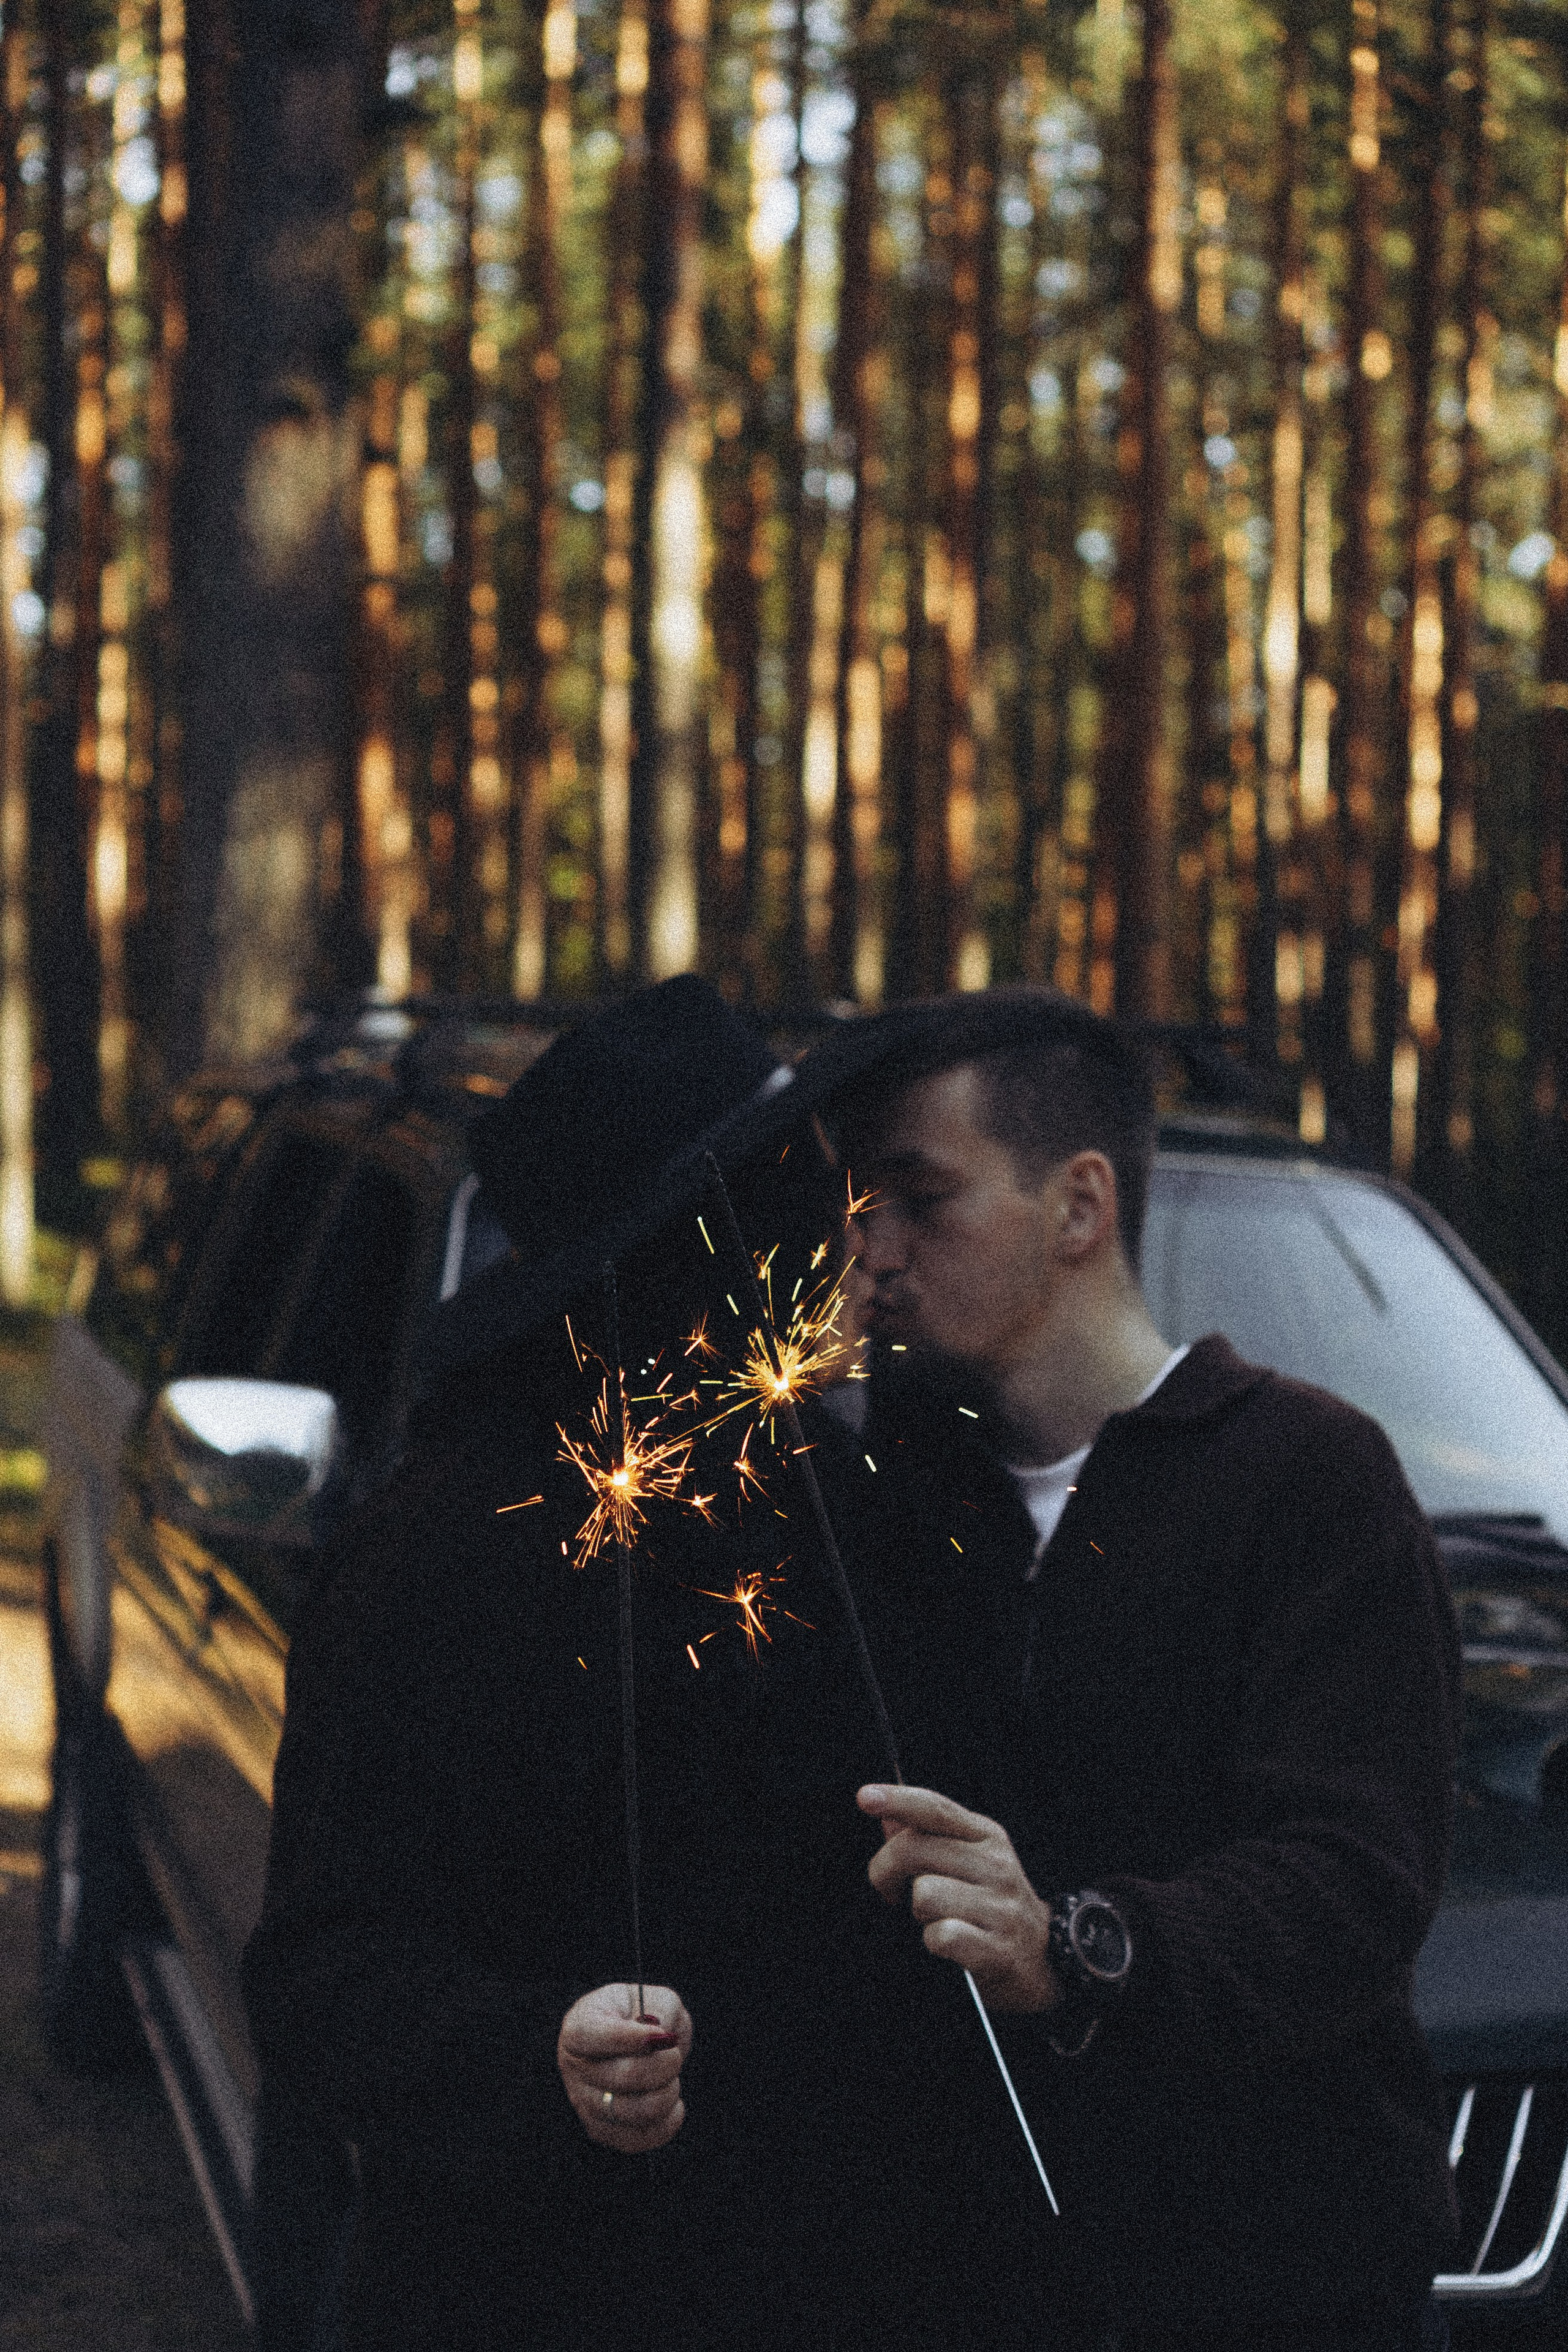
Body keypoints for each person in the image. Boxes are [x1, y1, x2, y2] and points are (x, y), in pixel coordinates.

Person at [797, 987, 1463, 2351]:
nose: (876, 1256)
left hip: (1264, 2282)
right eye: (858, 1216)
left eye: (919, 1202)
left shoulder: (1305, 1481)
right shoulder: (872, 1502)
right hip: (949, 2281)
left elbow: (1352, 1875)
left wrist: (1077, 1950)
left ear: (1078, 1206)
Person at [241, 977, 886, 2351]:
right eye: (804, 1200)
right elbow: (319, 1971)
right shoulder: (443, 1553)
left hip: (814, 2277)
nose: (854, 1239)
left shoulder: (843, 1505)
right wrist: (539, 2055)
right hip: (526, 2291)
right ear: (707, 1253)